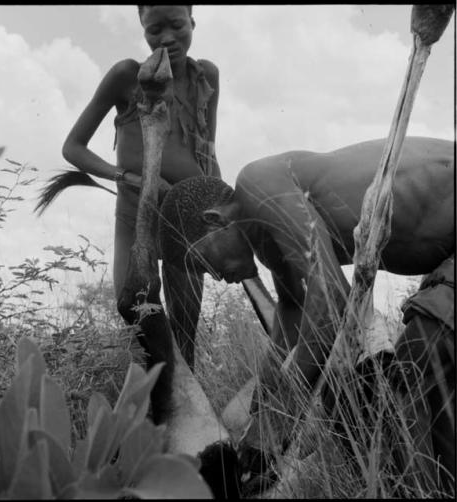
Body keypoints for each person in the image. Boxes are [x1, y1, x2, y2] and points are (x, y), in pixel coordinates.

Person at [158, 136, 454, 490]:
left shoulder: (257, 185)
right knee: (360, 395)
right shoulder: (267, 241)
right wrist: (265, 408)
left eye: (204, 263)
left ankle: (424, 492)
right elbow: (293, 310)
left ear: (214, 220)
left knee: (419, 357)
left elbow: (330, 304)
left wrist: (278, 423)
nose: (218, 277)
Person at [61, 5, 221, 422]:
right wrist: (128, 178)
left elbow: (208, 150)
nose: (167, 38)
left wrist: (220, 211)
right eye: (155, 30)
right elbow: (72, 147)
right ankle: (161, 410)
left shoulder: (207, 78)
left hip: (189, 217)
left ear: (193, 22)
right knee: (134, 303)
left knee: (186, 331)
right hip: (137, 214)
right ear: (142, 29)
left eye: (177, 26)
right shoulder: (126, 75)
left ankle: (187, 428)